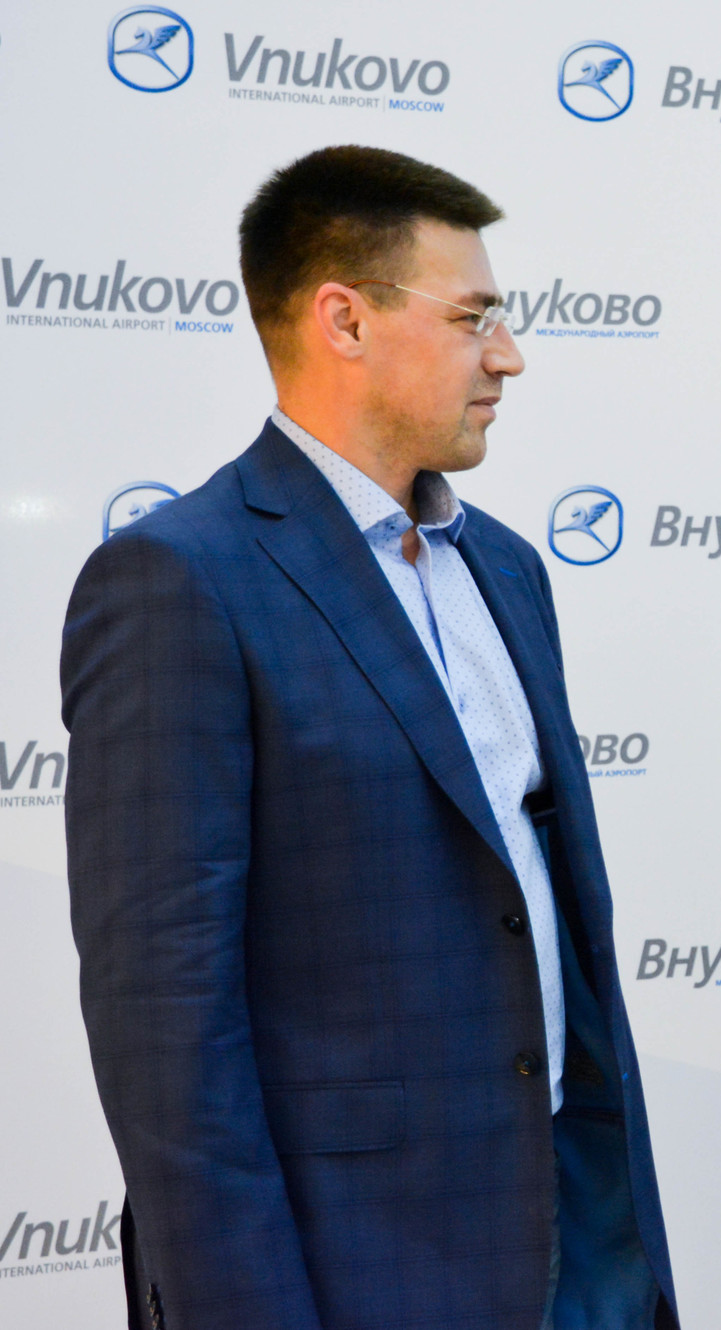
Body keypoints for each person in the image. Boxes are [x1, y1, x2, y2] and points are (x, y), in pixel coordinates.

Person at [61, 146, 675, 1330]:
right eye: (473, 317)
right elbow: (164, 1023)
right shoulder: (180, 580)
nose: (508, 354)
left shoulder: (504, 566)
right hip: (364, 1261)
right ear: (343, 320)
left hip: (581, 1227)